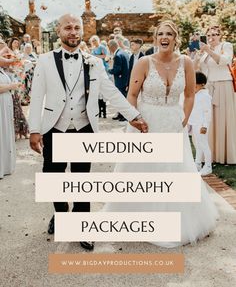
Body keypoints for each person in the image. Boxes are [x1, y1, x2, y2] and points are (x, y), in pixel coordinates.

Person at [29, 14, 148, 251]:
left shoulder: (94, 62)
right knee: (54, 178)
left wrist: (133, 115)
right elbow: (36, 97)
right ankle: (61, 215)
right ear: (59, 31)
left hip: (84, 129)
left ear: (81, 31)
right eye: (67, 28)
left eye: (76, 28)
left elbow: (111, 92)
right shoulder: (44, 61)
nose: (73, 32)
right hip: (55, 128)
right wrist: (35, 129)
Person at [103, 20, 218, 248]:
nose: (164, 37)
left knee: (174, 170)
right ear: (156, 38)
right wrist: (135, 119)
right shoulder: (144, 62)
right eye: (160, 34)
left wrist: (183, 118)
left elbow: (189, 94)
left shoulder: (185, 62)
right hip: (146, 122)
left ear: (176, 38)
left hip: (173, 122)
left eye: (169, 34)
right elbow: (132, 94)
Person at [196, 25, 236, 164]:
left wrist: (209, 50)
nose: (212, 37)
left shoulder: (226, 45)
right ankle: (210, 155)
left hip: (223, 85)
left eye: (215, 34)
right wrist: (199, 55)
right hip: (209, 87)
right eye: (209, 35)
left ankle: (225, 155)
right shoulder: (206, 51)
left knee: (223, 118)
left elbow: (225, 61)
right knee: (209, 120)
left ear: (221, 35)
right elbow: (200, 68)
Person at [0, 50, 21, 179]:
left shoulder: (2, 70)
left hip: (5, 106)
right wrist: (11, 86)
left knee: (5, 134)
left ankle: (6, 166)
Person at [188, 72, 212, 176]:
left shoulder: (205, 96)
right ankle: (197, 163)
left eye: (196, 85)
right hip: (195, 123)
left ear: (202, 84)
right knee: (198, 145)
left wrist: (205, 126)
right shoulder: (197, 94)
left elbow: (207, 112)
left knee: (204, 145)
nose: (194, 87)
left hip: (202, 124)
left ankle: (208, 166)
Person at [108, 39, 130, 121]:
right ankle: (121, 114)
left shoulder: (117, 55)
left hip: (121, 80)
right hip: (125, 79)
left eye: (109, 47)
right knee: (123, 98)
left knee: (122, 99)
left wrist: (109, 70)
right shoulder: (123, 52)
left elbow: (117, 70)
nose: (108, 49)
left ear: (111, 46)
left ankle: (125, 116)